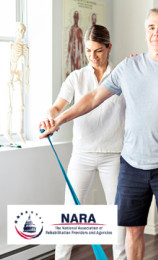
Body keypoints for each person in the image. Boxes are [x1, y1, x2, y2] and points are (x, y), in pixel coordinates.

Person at [40, 7, 158, 260]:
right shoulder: (129, 66)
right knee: (131, 230)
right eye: (152, 27)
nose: (157, 32)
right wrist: (60, 119)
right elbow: (94, 98)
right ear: (145, 32)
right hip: (131, 164)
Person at [39, 25, 126, 260]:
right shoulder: (76, 77)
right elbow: (58, 106)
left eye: (98, 50)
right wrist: (51, 116)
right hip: (82, 155)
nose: (92, 56)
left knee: (118, 215)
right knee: (70, 214)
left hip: (113, 154)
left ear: (108, 48)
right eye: (88, 51)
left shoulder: (121, 76)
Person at [6, 22, 29, 145]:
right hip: (10, 76)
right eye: (19, 30)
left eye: (23, 31)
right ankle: (7, 132)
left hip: (19, 77)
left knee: (21, 105)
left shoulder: (25, 47)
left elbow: (27, 66)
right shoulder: (11, 46)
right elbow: (8, 63)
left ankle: (19, 131)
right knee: (9, 107)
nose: (21, 33)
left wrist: (27, 82)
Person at [66, 11, 85, 77]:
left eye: (77, 17)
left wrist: (83, 57)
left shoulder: (79, 30)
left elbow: (81, 44)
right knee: (72, 70)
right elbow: (69, 42)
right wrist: (68, 56)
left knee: (78, 69)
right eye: (75, 17)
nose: (76, 19)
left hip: (78, 54)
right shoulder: (71, 29)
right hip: (72, 53)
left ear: (78, 18)